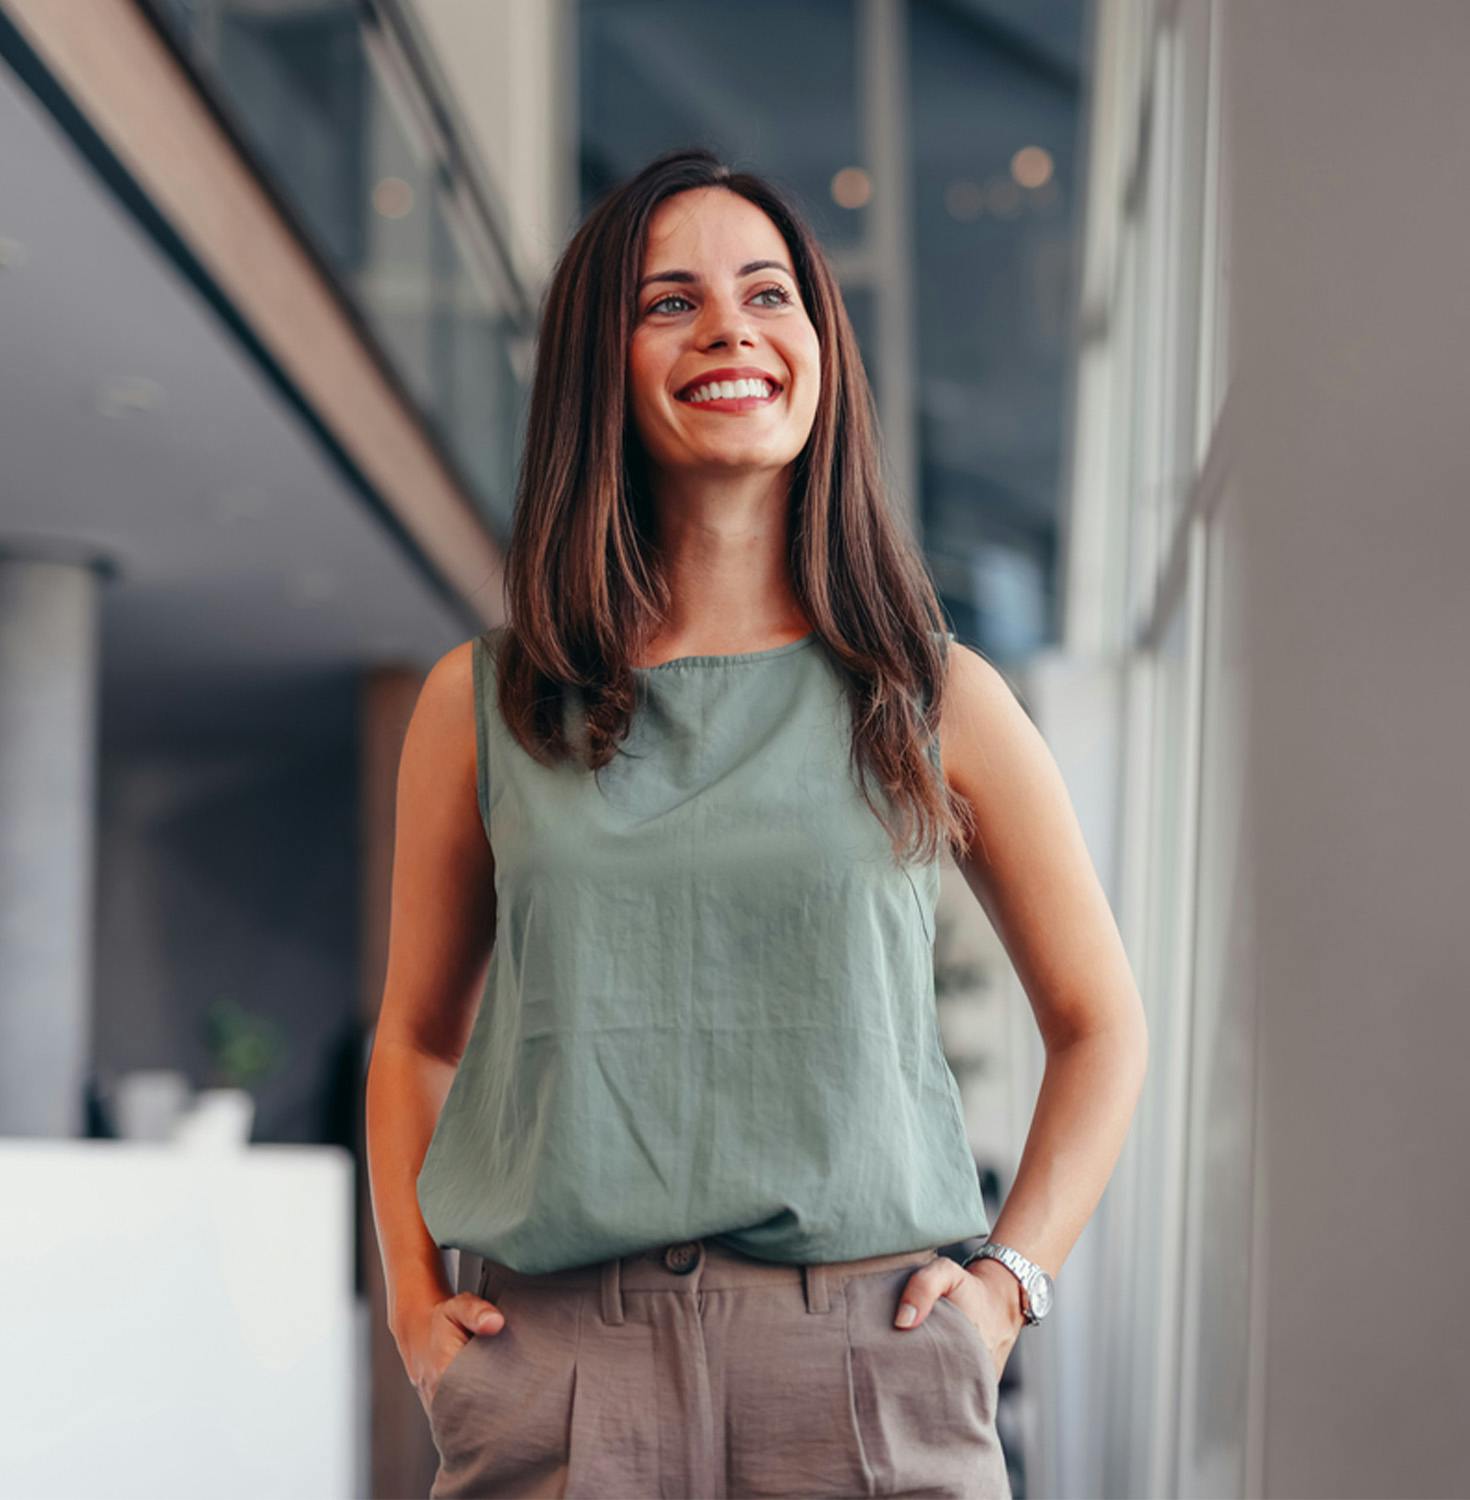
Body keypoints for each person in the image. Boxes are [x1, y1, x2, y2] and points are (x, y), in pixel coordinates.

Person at [364, 146, 1148, 1500]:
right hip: (558, 1374)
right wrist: (413, 1309)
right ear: (598, 368)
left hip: (862, 1368)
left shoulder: (930, 694)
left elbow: (1100, 1023)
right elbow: (417, 1038)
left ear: (818, 347)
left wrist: (1006, 1290)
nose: (730, 327)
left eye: (767, 293)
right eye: (669, 302)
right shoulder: (483, 703)